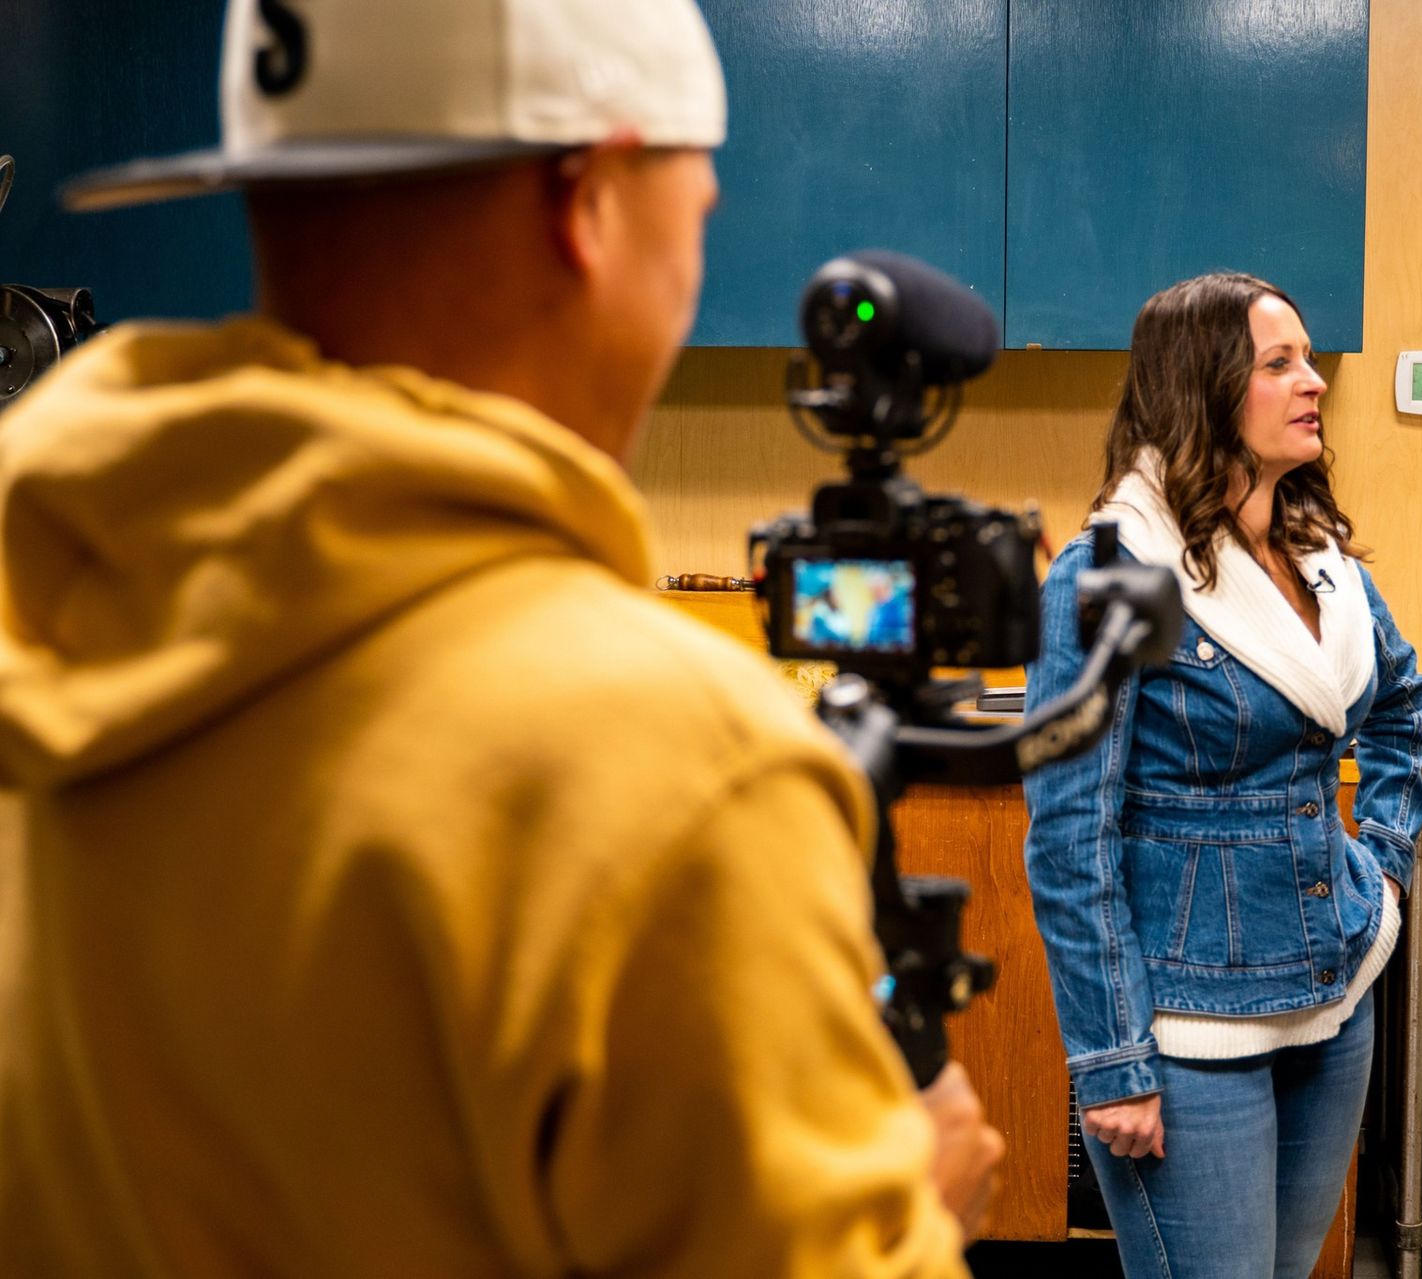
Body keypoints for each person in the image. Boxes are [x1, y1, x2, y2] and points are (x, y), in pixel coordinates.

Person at [0, 0, 1000, 1273]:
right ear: (584, 203)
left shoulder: (52, 594)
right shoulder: (676, 767)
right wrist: (920, 1210)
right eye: (694, 202)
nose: (699, 255)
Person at [1022, 272, 1422, 1279]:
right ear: (1202, 388)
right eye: (1279, 363)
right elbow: (1071, 838)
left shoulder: (1327, 561)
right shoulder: (1112, 571)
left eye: (1310, 358)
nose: (1314, 383)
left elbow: (1400, 708)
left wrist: (1380, 872)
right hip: (1187, 1031)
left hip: (1334, 1000)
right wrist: (1113, 1061)